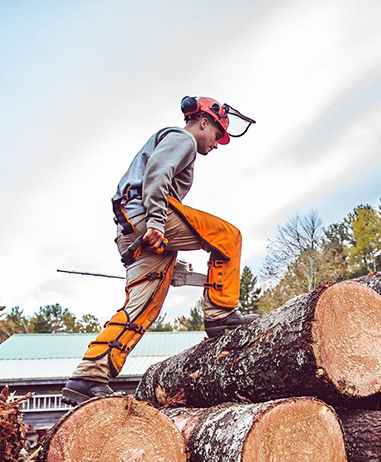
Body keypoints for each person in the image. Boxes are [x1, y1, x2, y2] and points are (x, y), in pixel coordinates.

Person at [62, 96, 257, 406]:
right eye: (218, 134)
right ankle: (220, 313)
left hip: (129, 229)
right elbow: (157, 175)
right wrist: (156, 223)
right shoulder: (182, 139)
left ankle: (88, 377)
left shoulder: (173, 140)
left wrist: (169, 250)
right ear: (203, 122)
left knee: (140, 309)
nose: (218, 143)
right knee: (228, 237)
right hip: (147, 217)